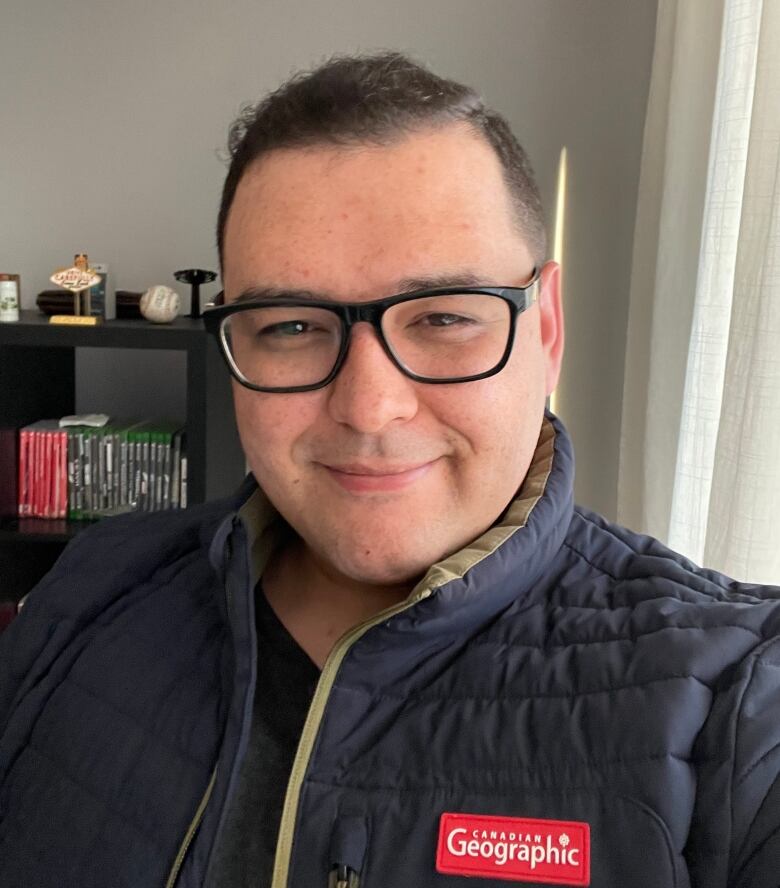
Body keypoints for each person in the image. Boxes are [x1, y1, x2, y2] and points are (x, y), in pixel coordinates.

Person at [1, 52, 779, 888]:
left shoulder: (738, 701)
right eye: (292, 327)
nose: (370, 409)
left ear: (546, 327)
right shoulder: (88, 589)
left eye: (445, 317)